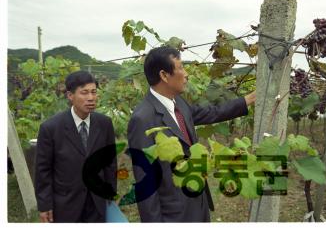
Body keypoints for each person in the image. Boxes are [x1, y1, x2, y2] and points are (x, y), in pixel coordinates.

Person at [127, 46, 256, 222]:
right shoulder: (143, 118)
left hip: (198, 204)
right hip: (174, 214)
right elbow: (146, 184)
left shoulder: (179, 103)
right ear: (164, 75)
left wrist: (248, 100)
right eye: (180, 68)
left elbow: (213, 112)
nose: (186, 74)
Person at [34, 70, 117, 223]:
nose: (91, 98)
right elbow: (43, 170)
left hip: (97, 202)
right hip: (66, 204)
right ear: (70, 96)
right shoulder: (51, 128)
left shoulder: (104, 123)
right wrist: (45, 205)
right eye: (84, 93)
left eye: (93, 92)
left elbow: (110, 163)